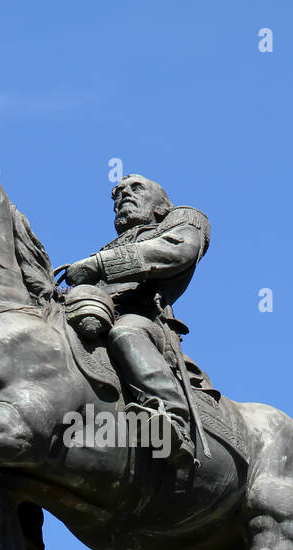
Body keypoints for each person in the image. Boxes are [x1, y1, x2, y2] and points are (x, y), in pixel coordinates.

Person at [63, 175, 210, 465]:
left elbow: (178, 250)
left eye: (135, 188)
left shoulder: (182, 219)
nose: (122, 195)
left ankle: (172, 419)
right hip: (93, 319)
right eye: (117, 193)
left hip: (146, 323)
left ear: (161, 206)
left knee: (127, 333)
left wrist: (98, 265)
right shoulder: (108, 245)